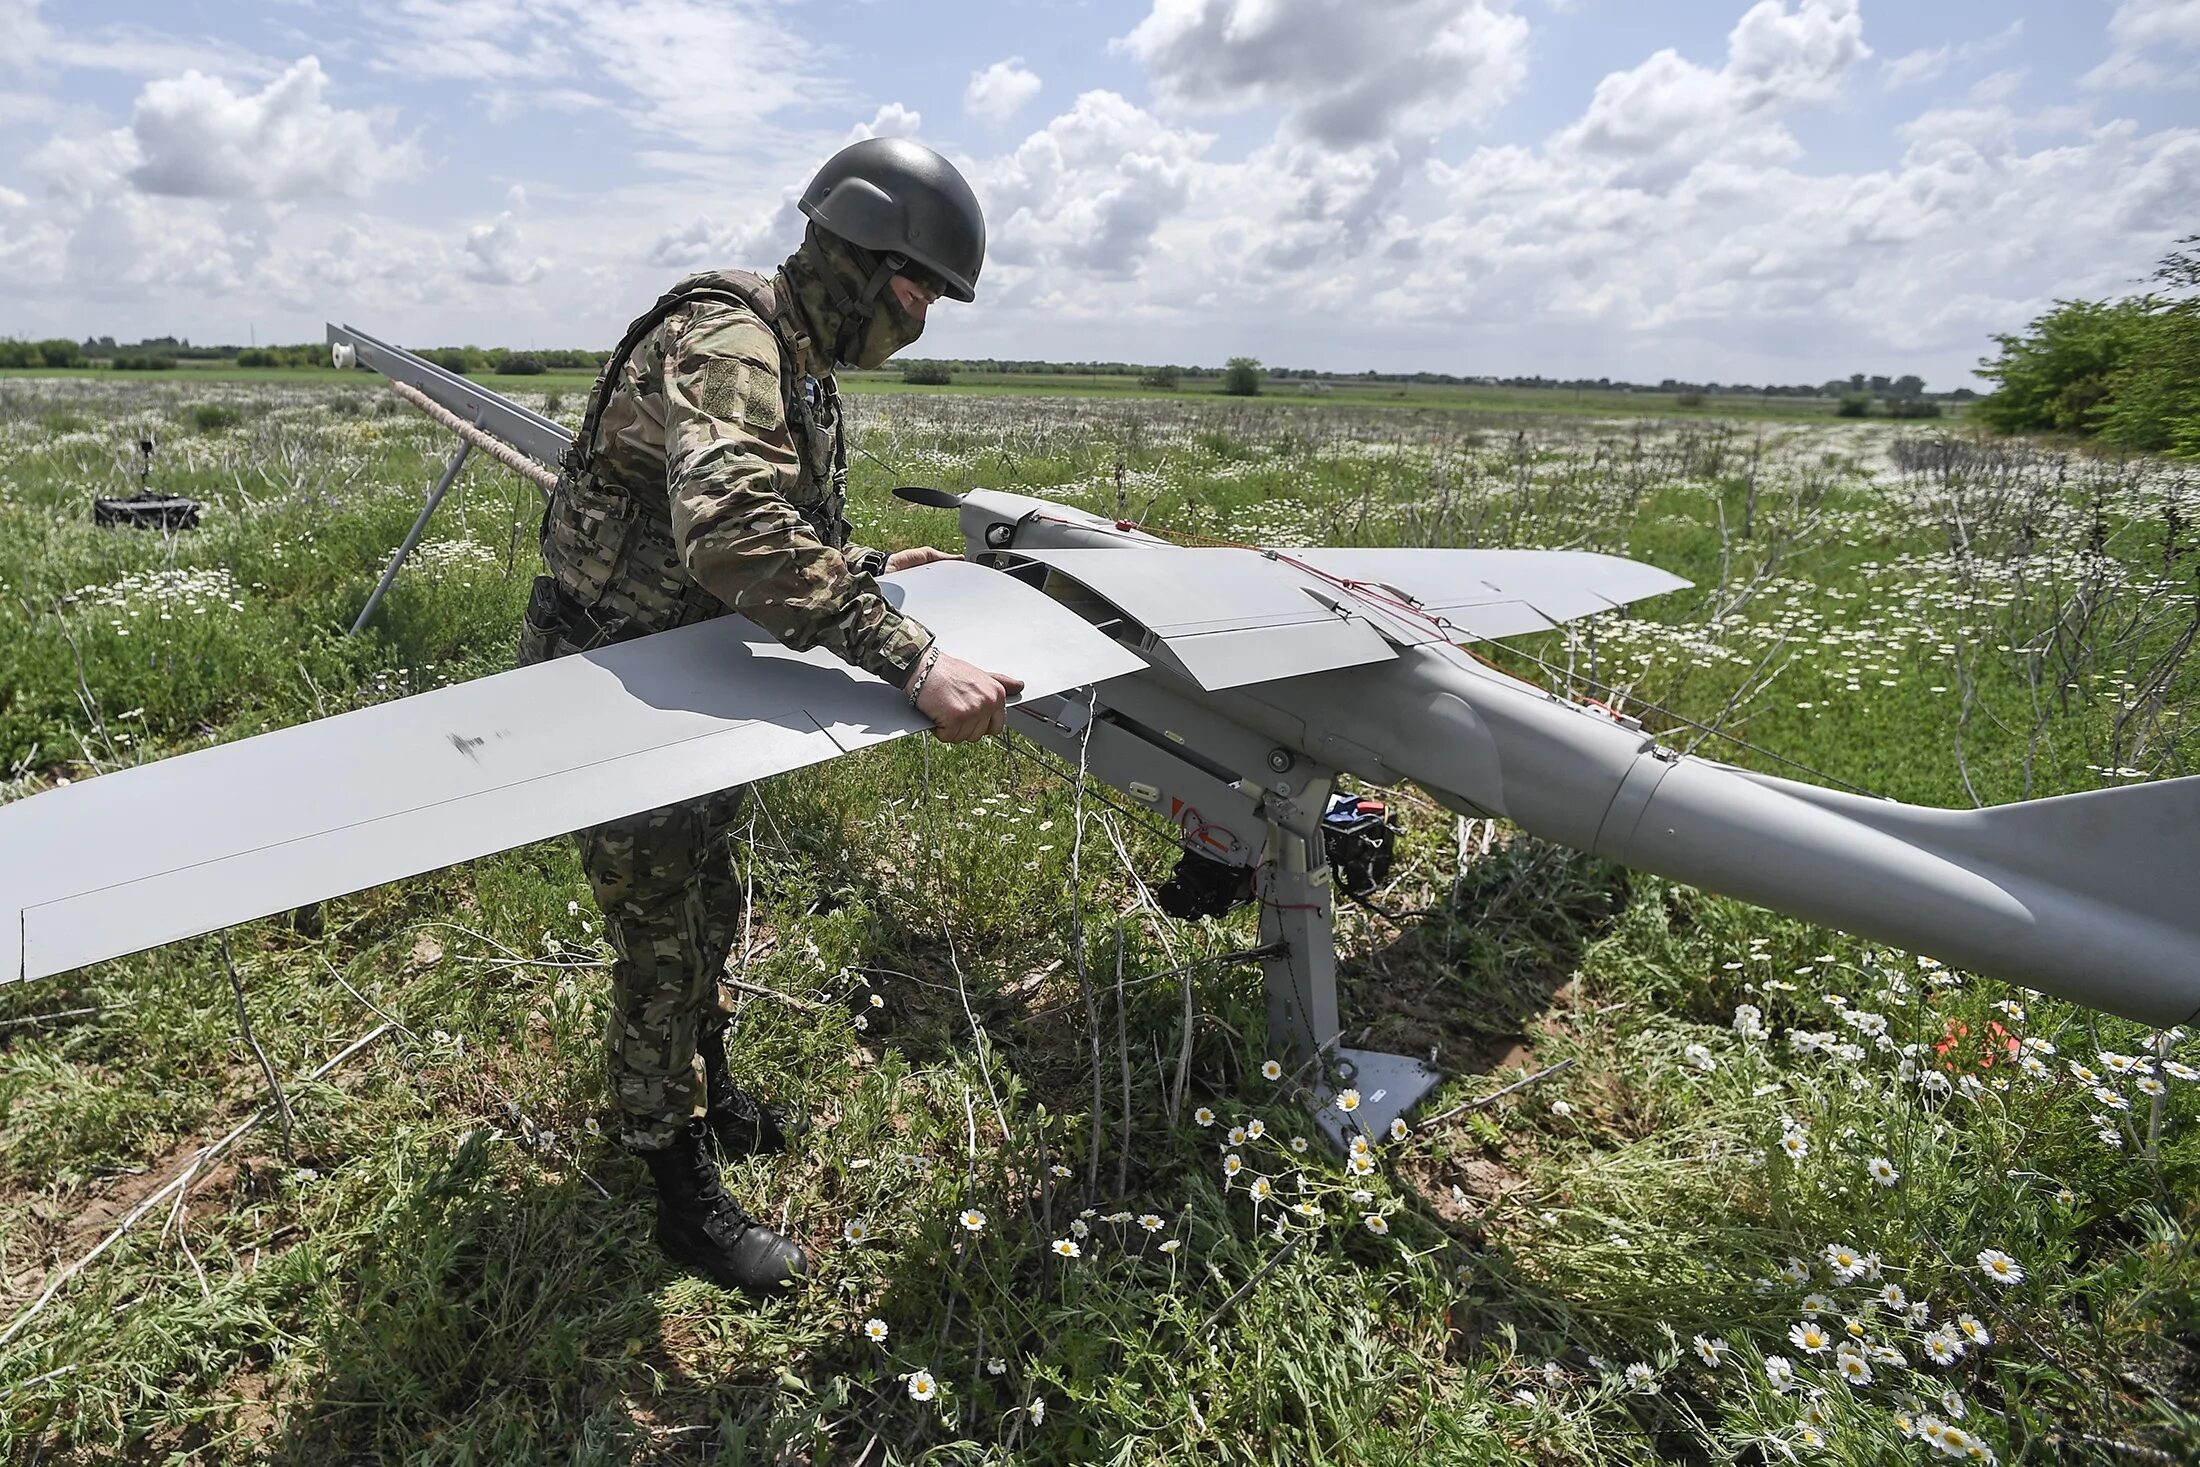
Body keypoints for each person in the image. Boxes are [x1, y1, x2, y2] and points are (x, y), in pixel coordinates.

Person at [519, 137, 1022, 1296]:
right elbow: (733, 530)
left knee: (710, 894)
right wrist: (909, 658)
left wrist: (852, 559)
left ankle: (708, 1089)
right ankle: (672, 1180)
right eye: (916, 292)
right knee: (659, 933)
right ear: (858, 256)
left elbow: (766, 519)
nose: (922, 319)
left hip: (691, 662)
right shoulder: (736, 340)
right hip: (615, 677)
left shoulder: (794, 350)